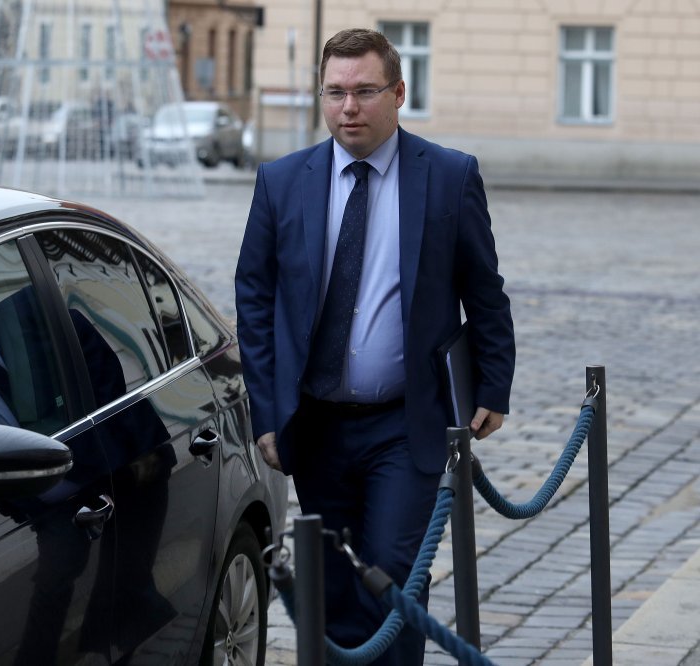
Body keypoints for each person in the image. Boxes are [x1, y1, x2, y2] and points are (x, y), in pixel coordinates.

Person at [234, 28, 515, 664]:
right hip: (316, 421)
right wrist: (267, 411)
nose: (348, 108)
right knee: (332, 583)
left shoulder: (448, 176)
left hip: (405, 421)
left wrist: (493, 385)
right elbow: (254, 296)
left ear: (398, 93)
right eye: (335, 93)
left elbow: (484, 290)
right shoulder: (282, 180)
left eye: (364, 91)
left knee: (391, 570)